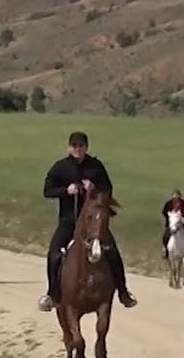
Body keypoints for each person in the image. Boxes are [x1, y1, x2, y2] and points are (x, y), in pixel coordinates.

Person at [38, 130, 136, 311]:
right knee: (54, 254)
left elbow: (108, 189)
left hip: (95, 224)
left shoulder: (96, 166)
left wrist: (94, 188)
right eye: (74, 146)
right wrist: (66, 191)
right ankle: (52, 294)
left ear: (86, 147)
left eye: (81, 146)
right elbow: (47, 190)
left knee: (113, 252)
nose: (78, 149)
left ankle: (123, 292)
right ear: (69, 148)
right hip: (69, 221)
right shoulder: (60, 167)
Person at [160, 189, 184, 257]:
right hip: (172, 223)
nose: (176, 197)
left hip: (182, 223)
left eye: (177, 195)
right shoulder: (168, 204)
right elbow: (164, 212)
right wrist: (169, 218)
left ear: (180, 196)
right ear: (172, 196)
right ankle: (166, 250)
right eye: (174, 195)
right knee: (165, 235)